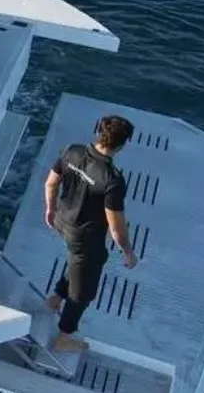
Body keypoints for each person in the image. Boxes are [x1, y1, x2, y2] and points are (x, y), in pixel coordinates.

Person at [43, 115, 138, 353]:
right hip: (84, 236)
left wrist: (50, 209)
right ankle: (64, 336)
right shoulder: (112, 179)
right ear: (122, 144)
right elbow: (115, 226)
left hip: (62, 221)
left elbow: (51, 183)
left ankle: (56, 299)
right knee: (83, 291)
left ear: (98, 132)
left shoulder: (72, 151)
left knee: (83, 262)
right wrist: (128, 252)